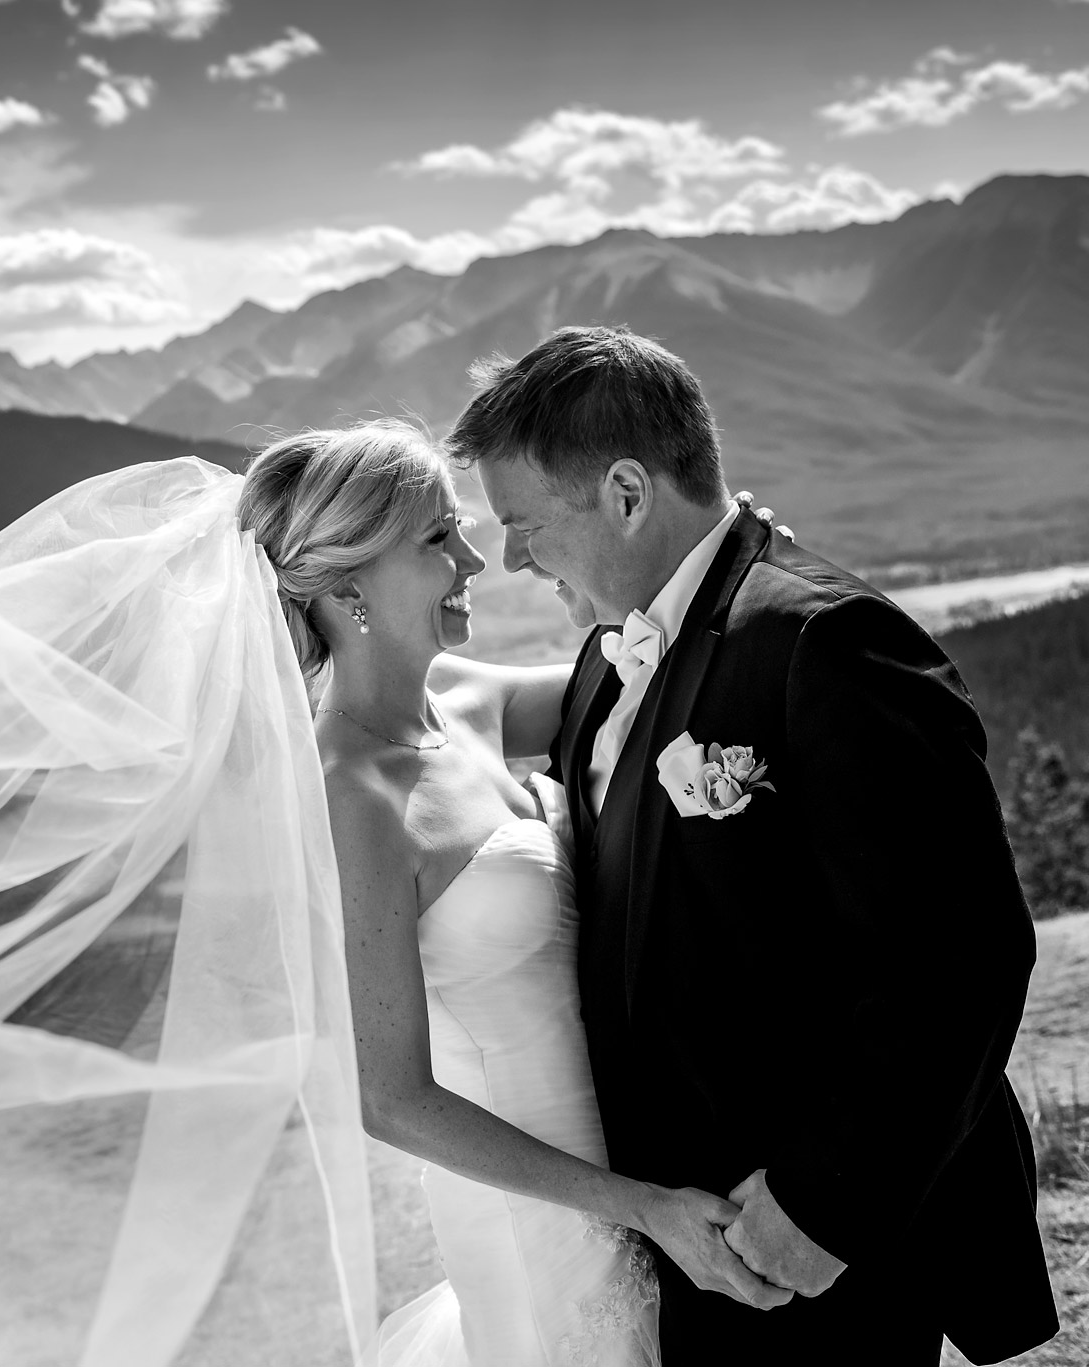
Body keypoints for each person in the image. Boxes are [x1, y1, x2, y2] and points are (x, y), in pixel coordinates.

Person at [449, 325, 1058, 1365]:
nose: (508, 555)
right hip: (682, 1237)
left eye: (521, 523)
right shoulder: (607, 652)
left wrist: (819, 1207)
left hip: (808, 1247)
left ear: (627, 494)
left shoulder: (824, 644)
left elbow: (959, 961)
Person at [236, 423, 784, 1367]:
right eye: (436, 540)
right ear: (346, 585)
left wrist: (727, 562)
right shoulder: (350, 796)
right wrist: (641, 1207)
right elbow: (393, 1098)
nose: (474, 557)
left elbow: (653, 666)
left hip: (632, 1154)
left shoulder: (465, 696)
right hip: (542, 1218)